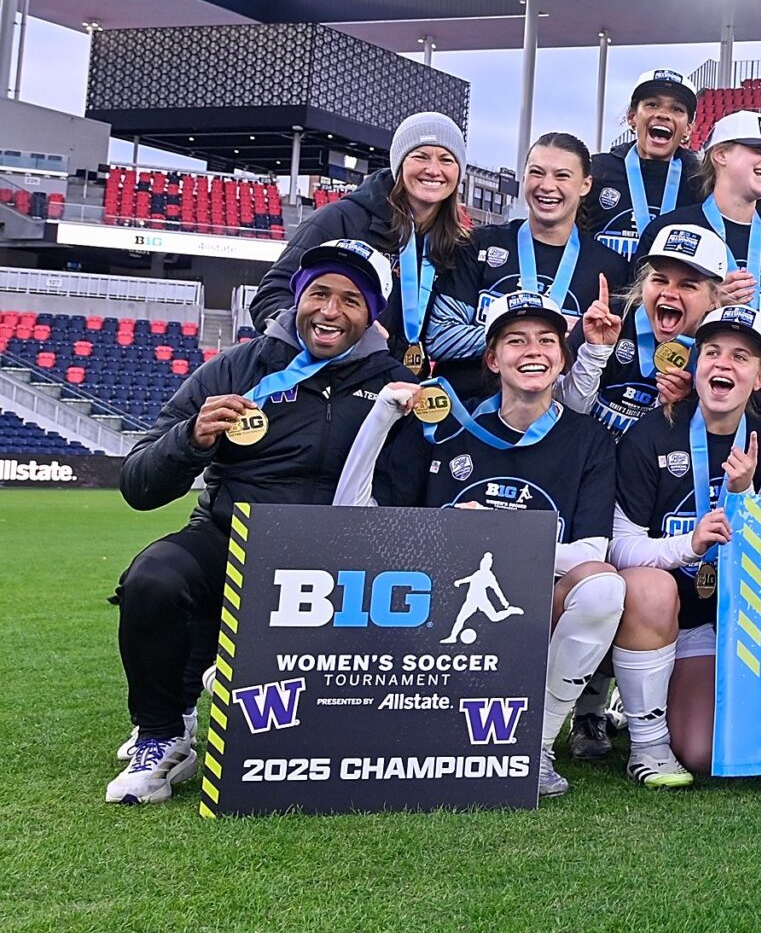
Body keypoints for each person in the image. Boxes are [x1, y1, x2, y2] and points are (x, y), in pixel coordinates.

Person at [106, 239, 410, 804]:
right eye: (318, 293)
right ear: (297, 298)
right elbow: (138, 484)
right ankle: (162, 733)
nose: (329, 310)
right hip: (233, 538)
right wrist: (192, 438)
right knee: (154, 577)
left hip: (342, 560)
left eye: (350, 300)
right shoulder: (237, 367)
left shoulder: (395, 384)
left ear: (371, 315)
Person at [332, 291, 624, 800]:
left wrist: (491, 538)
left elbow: (590, 554)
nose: (532, 351)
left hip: (531, 617)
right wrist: (381, 416)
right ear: (492, 358)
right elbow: (352, 521)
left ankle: (533, 745)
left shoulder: (588, 438)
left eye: (547, 341)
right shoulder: (443, 427)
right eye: (515, 340)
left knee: (603, 590)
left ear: (563, 357)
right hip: (430, 617)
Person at [604, 306, 761, 785]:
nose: (723, 364)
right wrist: (687, 546)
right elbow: (619, 548)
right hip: (668, 617)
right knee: (649, 586)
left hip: (732, 624)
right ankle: (641, 723)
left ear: (760, 378)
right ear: (695, 364)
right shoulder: (652, 434)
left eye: (741, 356)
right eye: (712, 352)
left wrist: (745, 496)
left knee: (713, 751)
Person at [250, 112, 472, 378]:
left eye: (446, 160)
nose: (433, 170)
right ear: (398, 163)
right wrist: (340, 334)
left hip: (406, 386)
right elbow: (270, 298)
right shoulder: (340, 219)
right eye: (420, 156)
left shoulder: (457, 242)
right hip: (336, 385)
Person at [636, 109, 761, 399]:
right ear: (720, 154)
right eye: (759, 150)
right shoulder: (669, 229)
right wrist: (707, 304)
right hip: (693, 403)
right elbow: (642, 321)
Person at [435, 131, 631, 406]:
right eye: (537, 173)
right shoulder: (478, 244)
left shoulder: (609, 269)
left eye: (562, 176)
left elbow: (600, 369)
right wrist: (539, 335)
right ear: (524, 177)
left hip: (547, 432)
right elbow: (440, 337)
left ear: (585, 185)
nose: (547, 186)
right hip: (466, 421)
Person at [572, 224, 732, 436]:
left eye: (687, 285)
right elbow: (567, 413)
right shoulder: (608, 319)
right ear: (642, 284)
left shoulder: (718, 351)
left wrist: (679, 406)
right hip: (589, 457)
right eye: (659, 280)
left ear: (713, 299)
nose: (669, 293)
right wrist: (594, 354)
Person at [583, 70, 700, 258]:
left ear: (688, 128)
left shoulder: (699, 181)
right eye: (652, 105)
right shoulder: (596, 170)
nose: (663, 114)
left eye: (677, 109)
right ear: (632, 118)